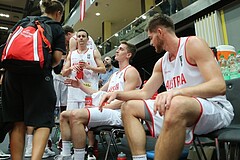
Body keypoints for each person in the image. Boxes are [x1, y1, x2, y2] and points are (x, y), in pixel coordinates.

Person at [100, 14, 234, 160]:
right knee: (128, 107)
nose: (150, 43)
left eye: (151, 37)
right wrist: (118, 94)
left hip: (215, 107)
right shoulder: (162, 62)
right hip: (179, 108)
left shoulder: (193, 44)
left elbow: (219, 86)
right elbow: (145, 93)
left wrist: (177, 92)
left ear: (159, 32)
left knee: (176, 103)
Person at [54, 41, 142, 160]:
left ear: (128, 55)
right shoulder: (115, 75)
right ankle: (66, 154)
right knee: (64, 115)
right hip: (108, 110)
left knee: (76, 115)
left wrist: (103, 107)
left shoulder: (131, 71)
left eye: (121, 49)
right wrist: (80, 85)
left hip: (121, 114)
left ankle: (79, 157)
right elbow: (99, 93)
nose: (117, 50)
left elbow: (125, 100)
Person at [1, 0, 66, 160]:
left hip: (12, 75)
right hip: (38, 77)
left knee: (17, 122)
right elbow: (56, 59)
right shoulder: (56, 27)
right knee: (44, 122)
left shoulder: (23, 22)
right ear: (58, 13)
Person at [57, 29, 105, 159]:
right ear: (76, 39)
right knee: (71, 120)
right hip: (73, 92)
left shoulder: (93, 52)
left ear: (88, 39)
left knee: (89, 122)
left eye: (84, 36)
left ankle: (90, 148)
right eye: (79, 36)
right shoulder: (71, 54)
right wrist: (71, 68)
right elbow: (63, 73)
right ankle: (75, 148)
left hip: (88, 92)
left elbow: (103, 69)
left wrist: (89, 67)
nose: (81, 38)